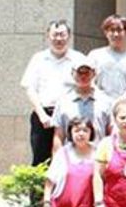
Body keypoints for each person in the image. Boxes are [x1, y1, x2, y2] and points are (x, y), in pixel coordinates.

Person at [21, 20, 84, 165]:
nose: (59, 39)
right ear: (47, 36)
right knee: (41, 160)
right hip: (44, 115)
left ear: (69, 36)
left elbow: (86, 85)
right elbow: (30, 88)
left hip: (71, 115)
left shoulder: (79, 59)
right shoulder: (38, 58)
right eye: (55, 35)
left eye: (62, 34)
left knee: (71, 158)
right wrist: (41, 115)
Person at [52, 57, 112, 150]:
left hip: (99, 155)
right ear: (72, 73)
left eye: (87, 72)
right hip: (70, 156)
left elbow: (111, 134)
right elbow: (59, 136)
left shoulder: (106, 101)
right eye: (79, 72)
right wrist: (57, 157)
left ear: (94, 73)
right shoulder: (63, 102)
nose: (83, 76)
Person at [87, 14, 126, 105]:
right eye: (112, 30)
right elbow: (88, 82)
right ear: (106, 32)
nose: (115, 34)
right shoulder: (94, 55)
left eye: (119, 30)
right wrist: (103, 99)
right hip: (98, 105)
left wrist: (120, 101)